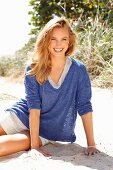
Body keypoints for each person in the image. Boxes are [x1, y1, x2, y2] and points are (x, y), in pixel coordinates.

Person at [0, 17, 99, 157]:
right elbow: (33, 107)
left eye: (64, 39)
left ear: (70, 40)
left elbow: (84, 105)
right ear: (46, 40)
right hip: (22, 115)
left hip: (47, 130)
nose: (59, 44)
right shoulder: (33, 68)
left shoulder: (79, 70)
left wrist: (91, 144)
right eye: (53, 39)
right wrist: (35, 147)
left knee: (1, 148)